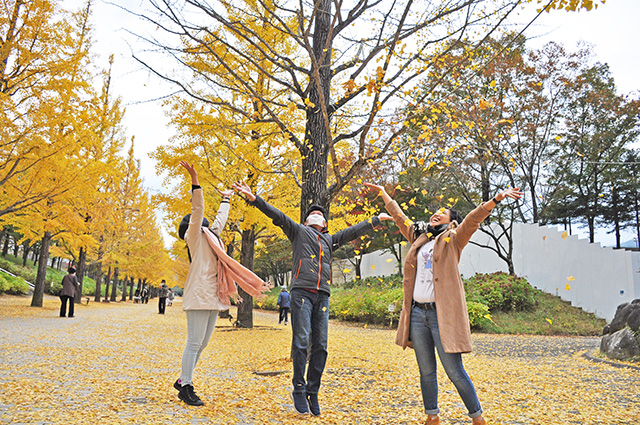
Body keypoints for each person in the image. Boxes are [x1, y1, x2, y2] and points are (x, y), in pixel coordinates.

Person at [364, 182, 523, 425]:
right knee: (426, 371)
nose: (436, 213)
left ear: (450, 221)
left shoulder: (454, 239)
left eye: (443, 211)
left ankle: (477, 417)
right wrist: (385, 195)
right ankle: (432, 416)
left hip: (442, 316)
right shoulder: (419, 237)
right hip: (417, 314)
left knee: (454, 370)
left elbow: (472, 219)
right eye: (435, 210)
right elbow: (400, 218)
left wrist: (496, 199)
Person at [233, 180, 392, 416]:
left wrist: (375, 220)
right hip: (301, 293)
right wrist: (254, 199)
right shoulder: (298, 232)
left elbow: (353, 232)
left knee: (322, 346)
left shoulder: (329, 240)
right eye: (313, 214)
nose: (316, 215)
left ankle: (312, 391)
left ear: (325, 224)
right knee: (302, 340)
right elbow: (277, 216)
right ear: (306, 221)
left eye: (320, 214)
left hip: (323, 296)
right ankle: (298, 388)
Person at [174, 161, 269, 407]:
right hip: (198, 294)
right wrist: (195, 181)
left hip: (213, 295)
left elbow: (219, 222)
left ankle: (183, 378)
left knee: (203, 343)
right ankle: (186, 387)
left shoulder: (212, 238)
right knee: (194, 342)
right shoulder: (194, 237)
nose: (205, 220)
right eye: (199, 220)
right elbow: (198, 210)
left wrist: (226, 199)